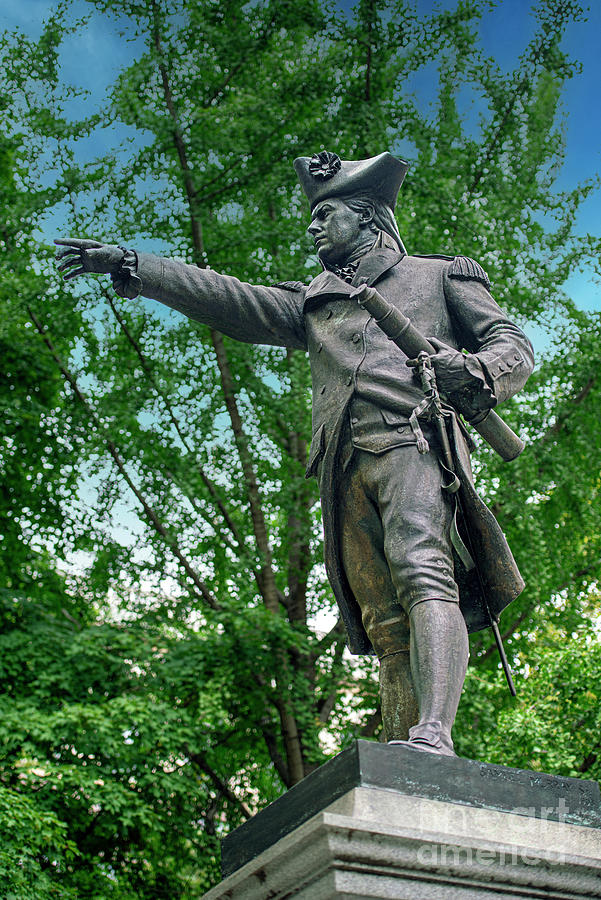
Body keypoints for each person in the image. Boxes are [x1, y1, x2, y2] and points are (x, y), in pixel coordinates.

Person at [56, 151, 534, 756]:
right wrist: (135, 264)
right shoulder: (313, 301)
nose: (311, 227)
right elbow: (227, 297)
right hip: (343, 467)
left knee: (423, 572)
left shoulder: (439, 276)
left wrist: (475, 370)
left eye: (324, 213)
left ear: (366, 217)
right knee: (383, 617)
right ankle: (402, 747)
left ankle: (434, 734)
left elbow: (510, 342)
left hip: (413, 441)